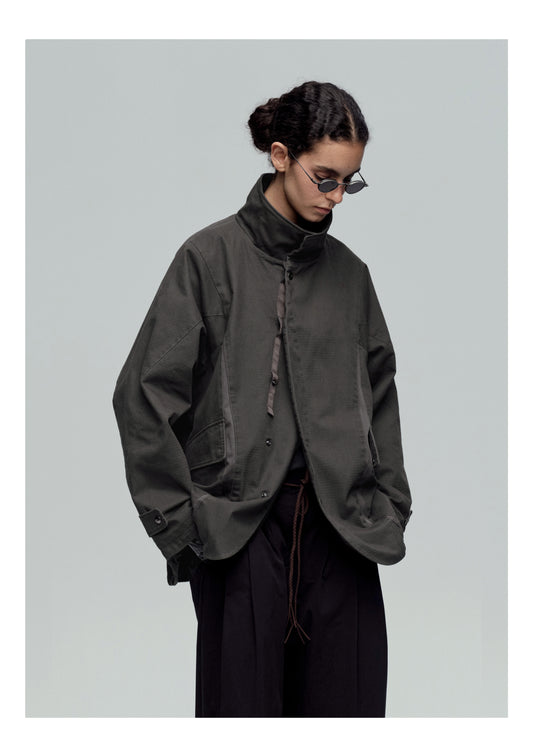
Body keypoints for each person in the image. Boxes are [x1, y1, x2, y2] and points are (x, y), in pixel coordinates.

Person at [112, 80, 412, 717]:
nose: (336, 196)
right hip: (239, 531)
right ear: (280, 155)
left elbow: (381, 394)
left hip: (343, 533)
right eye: (324, 178)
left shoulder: (351, 276)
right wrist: (182, 528)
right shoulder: (208, 258)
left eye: (349, 182)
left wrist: (390, 507)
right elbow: (143, 396)